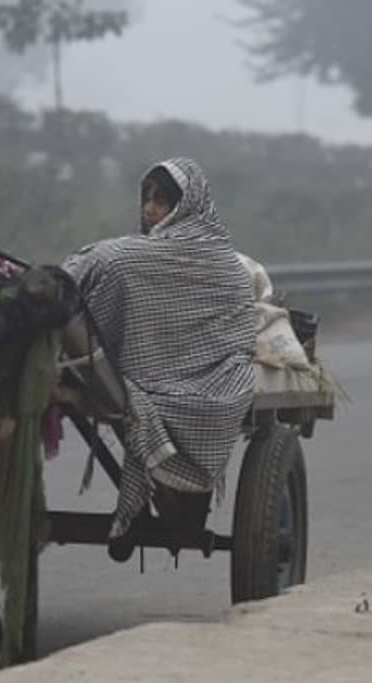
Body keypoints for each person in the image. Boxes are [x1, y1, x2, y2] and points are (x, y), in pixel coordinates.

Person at [62, 157, 257, 538]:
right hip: (143, 381)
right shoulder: (146, 256)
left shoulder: (131, 258)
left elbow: (235, 335)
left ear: (188, 205)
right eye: (146, 199)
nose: (150, 209)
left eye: (162, 201)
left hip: (194, 385)